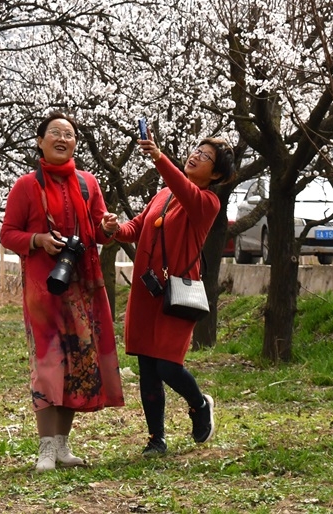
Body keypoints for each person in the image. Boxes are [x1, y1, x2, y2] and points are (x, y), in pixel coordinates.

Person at [0, 112, 125, 472]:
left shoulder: (88, 183)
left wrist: (107, 226)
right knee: (48, 365)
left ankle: (62, 446)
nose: (62, 138)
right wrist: (38, 240)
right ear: (40, 142)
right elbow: (8, 233)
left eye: (68, 134)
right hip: (44, 292)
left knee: (77, 365)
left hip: (83, 288)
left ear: (74, 144)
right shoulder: (26, 185)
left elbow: (101, 233)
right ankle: (44, 448)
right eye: (54, 132)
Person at [111, 133, 235, 456]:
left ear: (217, 175)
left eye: (205, 157)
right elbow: (136, 228)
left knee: (168, 365)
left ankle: (199, 404)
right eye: (196, 150)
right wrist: (111, 229)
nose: (195, 156)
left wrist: (158, 157)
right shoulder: (163, 195)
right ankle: (156, 438)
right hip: (146, 291)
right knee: (148, 369)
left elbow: (184, 188)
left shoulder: (207, 203)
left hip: (176, 295)